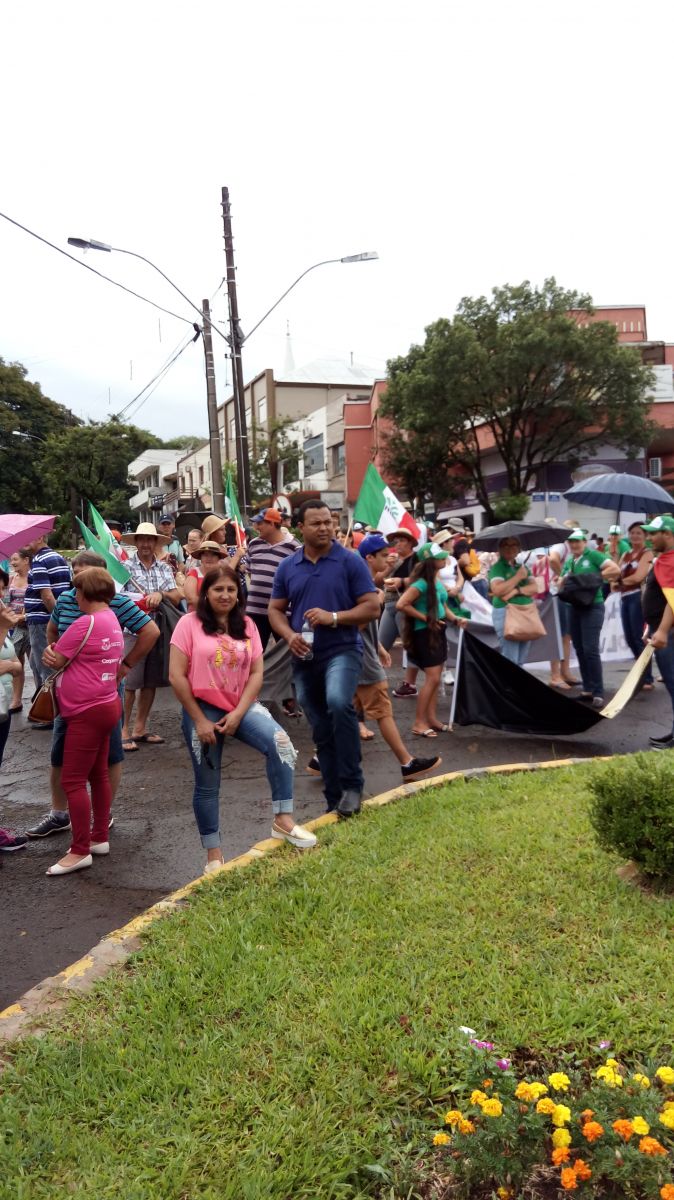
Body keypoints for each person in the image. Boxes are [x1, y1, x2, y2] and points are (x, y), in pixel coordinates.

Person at [169, 564, 316, 872]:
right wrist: (199, 720)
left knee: (281, 744)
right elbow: (176, 676)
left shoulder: (247, 624)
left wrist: (238, 713)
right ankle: (214, 855)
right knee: (207, 783)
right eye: (218, 589)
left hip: (242, 705)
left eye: (231, 589)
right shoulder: (188, 623)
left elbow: (257, 672)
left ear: (239, 594)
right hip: (202, 710)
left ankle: (283, 819)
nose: (225, 595)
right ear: (206, 593)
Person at [27, 551, 159, 838]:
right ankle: (59, 814)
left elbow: (150, 631)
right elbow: (52, 629)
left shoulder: (117, 603)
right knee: (60, 752)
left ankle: (102, 814)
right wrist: (53, 652)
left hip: (104, 691)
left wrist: (126, 665)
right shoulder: (67, 599)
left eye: (84, 574)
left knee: (109, 754)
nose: (78, 581)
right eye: (75, 574)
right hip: (70, 692)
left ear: (102, 577)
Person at [269, 499, 380, 818]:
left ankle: (353, 785)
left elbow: (372, 607)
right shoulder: (288, 566)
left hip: (342, 649)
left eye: (329, 522)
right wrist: (289, 635)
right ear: (300, 528)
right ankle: (334, 798)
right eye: (316, 523)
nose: (325, 528)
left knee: (338, 702)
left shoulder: (349, 561)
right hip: (304, 657)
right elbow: (275, 609)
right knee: (319, 725)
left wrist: (333, 617)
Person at [43, 568, 125, 876]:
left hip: (85, 709)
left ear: (86, 592)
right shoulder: (111, 618)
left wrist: (50, 653)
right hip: (106, 702)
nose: (74, 596)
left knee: (73, 780)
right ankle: (98, 836)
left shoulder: (85, 622)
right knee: (98, 774)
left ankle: (79, 850)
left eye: (77, 591)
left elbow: (56, 658)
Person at [357, 534, 442, 780]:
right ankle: (407, 762)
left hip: (361, 654)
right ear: (369, 557)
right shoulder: (362, 582)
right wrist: (377, 601)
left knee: (343, 712)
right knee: (383, 711)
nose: (389, 559)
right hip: (362, 659)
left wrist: (380, 648)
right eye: (384, 555)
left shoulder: (365, 580)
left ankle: (322, 758)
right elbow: (357, 624)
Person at [397, 542, 468, 737]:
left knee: (435, 679)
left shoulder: (436, 580)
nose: (444, 558)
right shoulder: (420, 584)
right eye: (440, 556)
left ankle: (431, 719)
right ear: (430, 561)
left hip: (438, 630)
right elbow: (402, 604)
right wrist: (426, 619)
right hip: (425, 633)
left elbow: (442, 605)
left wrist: (456, 619)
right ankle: (419, 723)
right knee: (433, 678)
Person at [121, 523, 182, 750]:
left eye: (150, 539)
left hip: (158, 629)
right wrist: (140, 602)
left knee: (150, 681)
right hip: (133, 631)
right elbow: (117, 597)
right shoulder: (124, 568)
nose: (146, 544)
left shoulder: (164, 568)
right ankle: (123, 730)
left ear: (156, 542)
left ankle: (140, 728)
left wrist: (160, 594)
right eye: (142, 539)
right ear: (136, 542)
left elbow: (176, 595)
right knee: (129, 682)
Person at [560, 530, 619, 707]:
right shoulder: (570, 561)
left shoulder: (593, 555)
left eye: (577, 541)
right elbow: (562, 580)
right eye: (571, 542)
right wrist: (560, 581)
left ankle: (598, 692)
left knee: (590, 649)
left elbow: (615, 569)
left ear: (584, 542)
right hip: (573, 606)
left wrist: (594, 578)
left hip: (593, 606)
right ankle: (587, 689)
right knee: (579, 648)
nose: (574, 544)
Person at [24, 533, 71, 702]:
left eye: (28, 537)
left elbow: (47, 596)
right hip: (52, 618)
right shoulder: (58, 557)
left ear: (40, 537)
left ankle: (50, 709)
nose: (24, 542)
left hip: (42, 620)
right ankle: (43, 703)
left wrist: (56, 619)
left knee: (46, 667)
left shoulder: (39, 560)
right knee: (36, 662)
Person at [641, 516, 674, 747]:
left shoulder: (670, 560)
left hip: (669, 633)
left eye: (654, 533)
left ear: (668, 534)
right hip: (661, 629)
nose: (649, 538)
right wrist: (650, 627)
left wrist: (661, 630)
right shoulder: (664, 559)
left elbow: (672, 599)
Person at [246, 509, 300, 649]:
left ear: (272, 523)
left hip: (283, 613)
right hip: (255, 611)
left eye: (259, 523)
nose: (256, 527)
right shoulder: (253, 544)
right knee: (253, 653)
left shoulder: (294, 547)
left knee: (287, 653)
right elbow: (250, 573)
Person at [613, 521, 654, 690]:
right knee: (629, 637)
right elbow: (615, 573)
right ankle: (640, 673)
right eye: (632, 533)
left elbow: (639, 576)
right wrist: (614, 556)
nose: (635, 536)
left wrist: (620, 582)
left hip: (638, 597)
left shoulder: (647, 553)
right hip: (624, 598)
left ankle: (647, 677)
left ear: (645, 536)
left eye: (639, 533)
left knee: (638, 637)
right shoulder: (626, 554)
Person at [381, 527, 421, 698]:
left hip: (406, 604)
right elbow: (378, 579)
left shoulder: (416, 558)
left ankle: (410, 684)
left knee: (409, 645)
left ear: (411, 543)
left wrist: (401, 581)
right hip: (390, 604)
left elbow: (422, 579)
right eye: (395, 541)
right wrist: (388, 568)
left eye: (402, 540)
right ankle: (373, 678)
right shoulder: (393, 560)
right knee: (380, 643)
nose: (397, 544)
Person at [488, 537, 539, 666]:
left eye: (513, 545)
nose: (509, 548)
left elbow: (534, 588)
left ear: (519, 548)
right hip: (507, 612)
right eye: (505, 545)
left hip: (525, 613)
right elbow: (498, 590)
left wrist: (516, 590)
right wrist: (518, 577)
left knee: (521, 660)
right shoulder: (497, 568)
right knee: (511, 660)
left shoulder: (521, 567)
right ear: (500, 549)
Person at [6, 548, 30, 712]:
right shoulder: (11, 579)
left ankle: (41, 701)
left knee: (35, 664)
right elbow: (7, 601)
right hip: (14, 627)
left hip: (31, 625)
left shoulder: (33, 578)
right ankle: (16, 700)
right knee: (17, 663)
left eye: (15, 559)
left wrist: (24, 616)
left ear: (26, 560)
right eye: (11, 560)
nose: (12, 563)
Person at [183, 541, 229, 610]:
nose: (209, 558)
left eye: (213, 555)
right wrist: (213, 608)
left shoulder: (223, 574)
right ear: (200, 557)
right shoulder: (194, 573)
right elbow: (191, 599)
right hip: (197, 613)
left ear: (218, 558)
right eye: (205, 555)